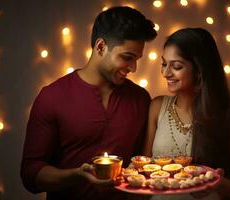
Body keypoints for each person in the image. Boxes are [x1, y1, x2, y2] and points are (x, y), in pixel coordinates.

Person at [21, 6, 157, 200]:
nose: (134, 68)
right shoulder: (52, 97)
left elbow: (143, 164)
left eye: (136, 59)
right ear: (100, 47)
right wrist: (77, 175)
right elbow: (30, 174)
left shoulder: (141, 98)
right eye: (127, 57)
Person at [143, 28, 230, 199]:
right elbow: (142, 170)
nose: (166, 73)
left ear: (200, 70)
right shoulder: (157, 107)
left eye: (176, 66)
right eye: (164, 64)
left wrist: (220, 183)